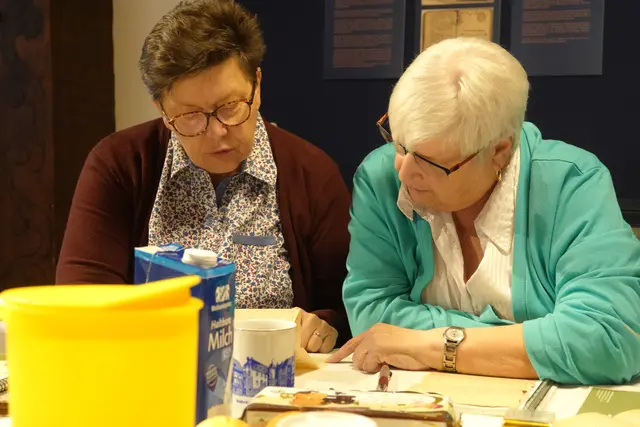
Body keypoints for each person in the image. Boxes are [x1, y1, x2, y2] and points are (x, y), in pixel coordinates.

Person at [328, 37, 640, 384]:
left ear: (499, 151)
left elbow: (610, 337)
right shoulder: (379, 178)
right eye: (399, 145)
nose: (403, 172)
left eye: (431, 162)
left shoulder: (571, 183)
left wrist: (434, 345)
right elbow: (371, 315)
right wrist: (528, 340)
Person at [56, 0, 351, 353]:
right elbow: (82, 297)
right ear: (162, 110)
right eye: (190, 116)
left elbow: (346, 305)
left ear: (257, 86)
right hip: (150, 363)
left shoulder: (310, 173)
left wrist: (323, 325)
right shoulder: (120, 164)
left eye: (231, 107)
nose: (217, 133)